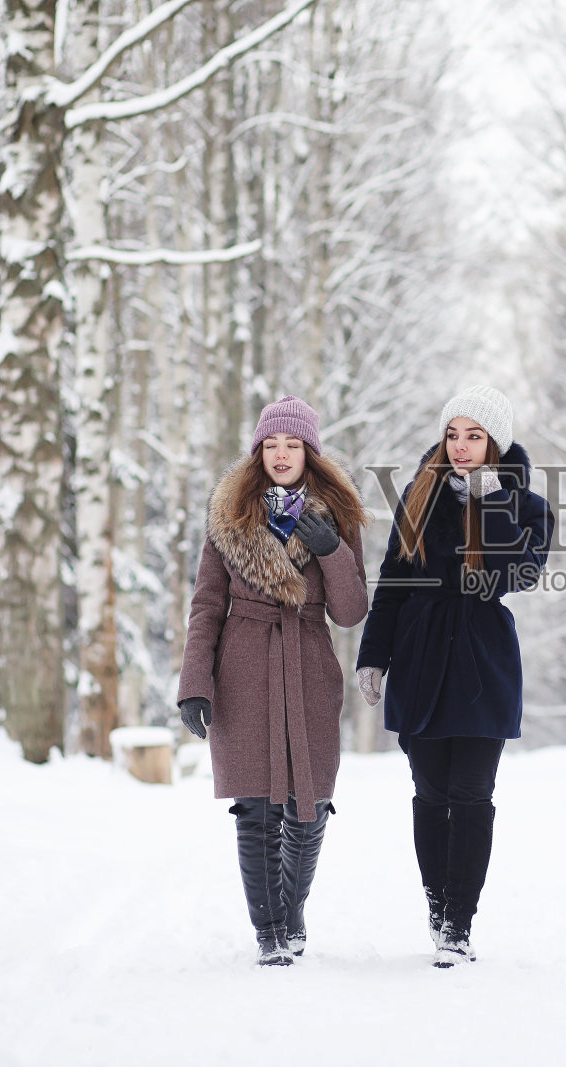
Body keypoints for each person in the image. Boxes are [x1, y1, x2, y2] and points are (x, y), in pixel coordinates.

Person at [356, 385, 554, 967]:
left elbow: (516, 574)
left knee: (472, 794)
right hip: (419, 657)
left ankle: (458, 926)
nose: (461, 446)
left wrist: (490, 502)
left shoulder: (528, 506)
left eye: (474, 435)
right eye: (452, 434)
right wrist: (373, 656)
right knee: (430, 794)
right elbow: (393, 582)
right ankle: (438, 907)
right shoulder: (419, 497)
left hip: (483, 660)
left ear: (496, 442)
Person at [176, 395, 370, 967]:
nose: (281, 454)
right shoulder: (229, 515)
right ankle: (269, 931)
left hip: (309, 666)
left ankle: (292, 910)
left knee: (311, 805)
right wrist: (195, 683)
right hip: (242, 667)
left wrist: (331, 551)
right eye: (270, 444)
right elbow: (206, 605)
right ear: (257, 451)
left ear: (310, 452)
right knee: (257, 809)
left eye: (292, 444)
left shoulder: (338, 515)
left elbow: (351, 612)